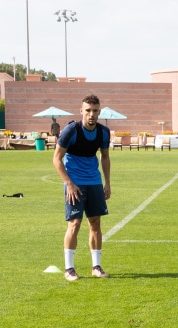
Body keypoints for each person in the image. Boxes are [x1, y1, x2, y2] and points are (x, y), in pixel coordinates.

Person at [53, 94, 112, 281]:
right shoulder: (71, 130)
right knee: (75, 224)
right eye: (88, 111)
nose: (91, 114)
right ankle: (69, 269)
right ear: (81, 111)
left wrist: (107, 182)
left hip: (94, 182)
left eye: (95, 111)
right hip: (75, 183)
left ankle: (96, 266)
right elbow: (56, 158)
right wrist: (69, 184)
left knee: (95, 223)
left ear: (99, 112)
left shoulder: (103, 132)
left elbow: (105, 156)